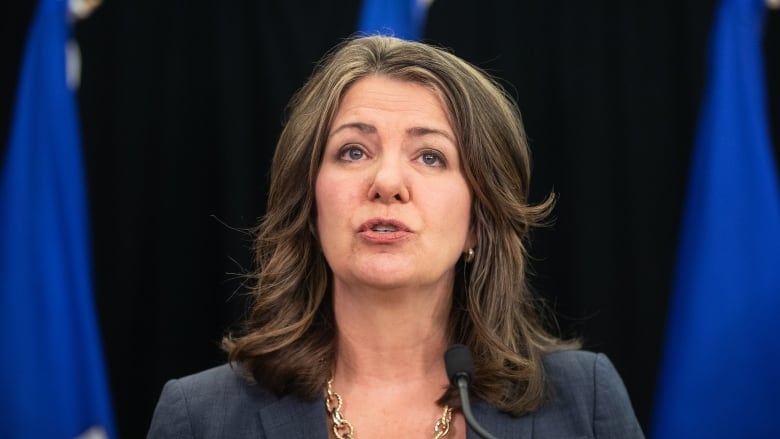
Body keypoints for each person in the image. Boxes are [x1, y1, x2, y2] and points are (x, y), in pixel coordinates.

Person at [147, 35, 644, 438]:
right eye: (353, 152)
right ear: (310, 203)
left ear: (479, 219)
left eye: (430, 156)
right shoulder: (201, 418)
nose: (386, 183)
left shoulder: (585, 402)